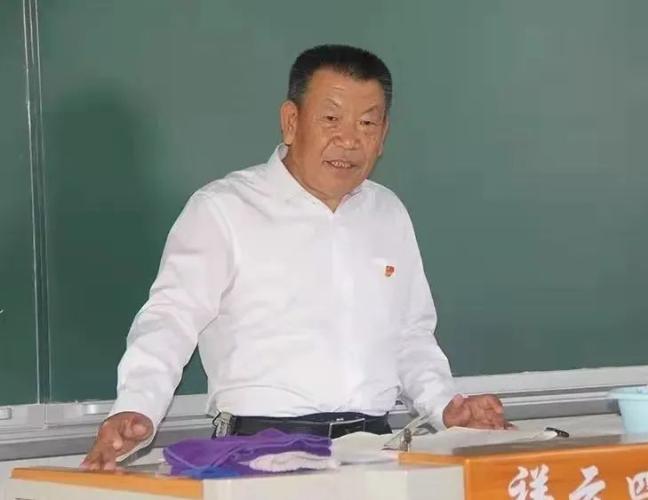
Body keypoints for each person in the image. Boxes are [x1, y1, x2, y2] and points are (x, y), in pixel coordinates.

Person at [82, 44, 507, 471]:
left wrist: (445, 405)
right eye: (331, 119)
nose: (349, 140)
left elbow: (411, 334)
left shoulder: (388, 213)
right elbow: (171, 318)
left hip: (376, 452)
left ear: (383, 136)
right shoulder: (224, 209)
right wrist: (137, 405)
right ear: (291, 122)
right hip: (258, 453)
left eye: (366, 123)